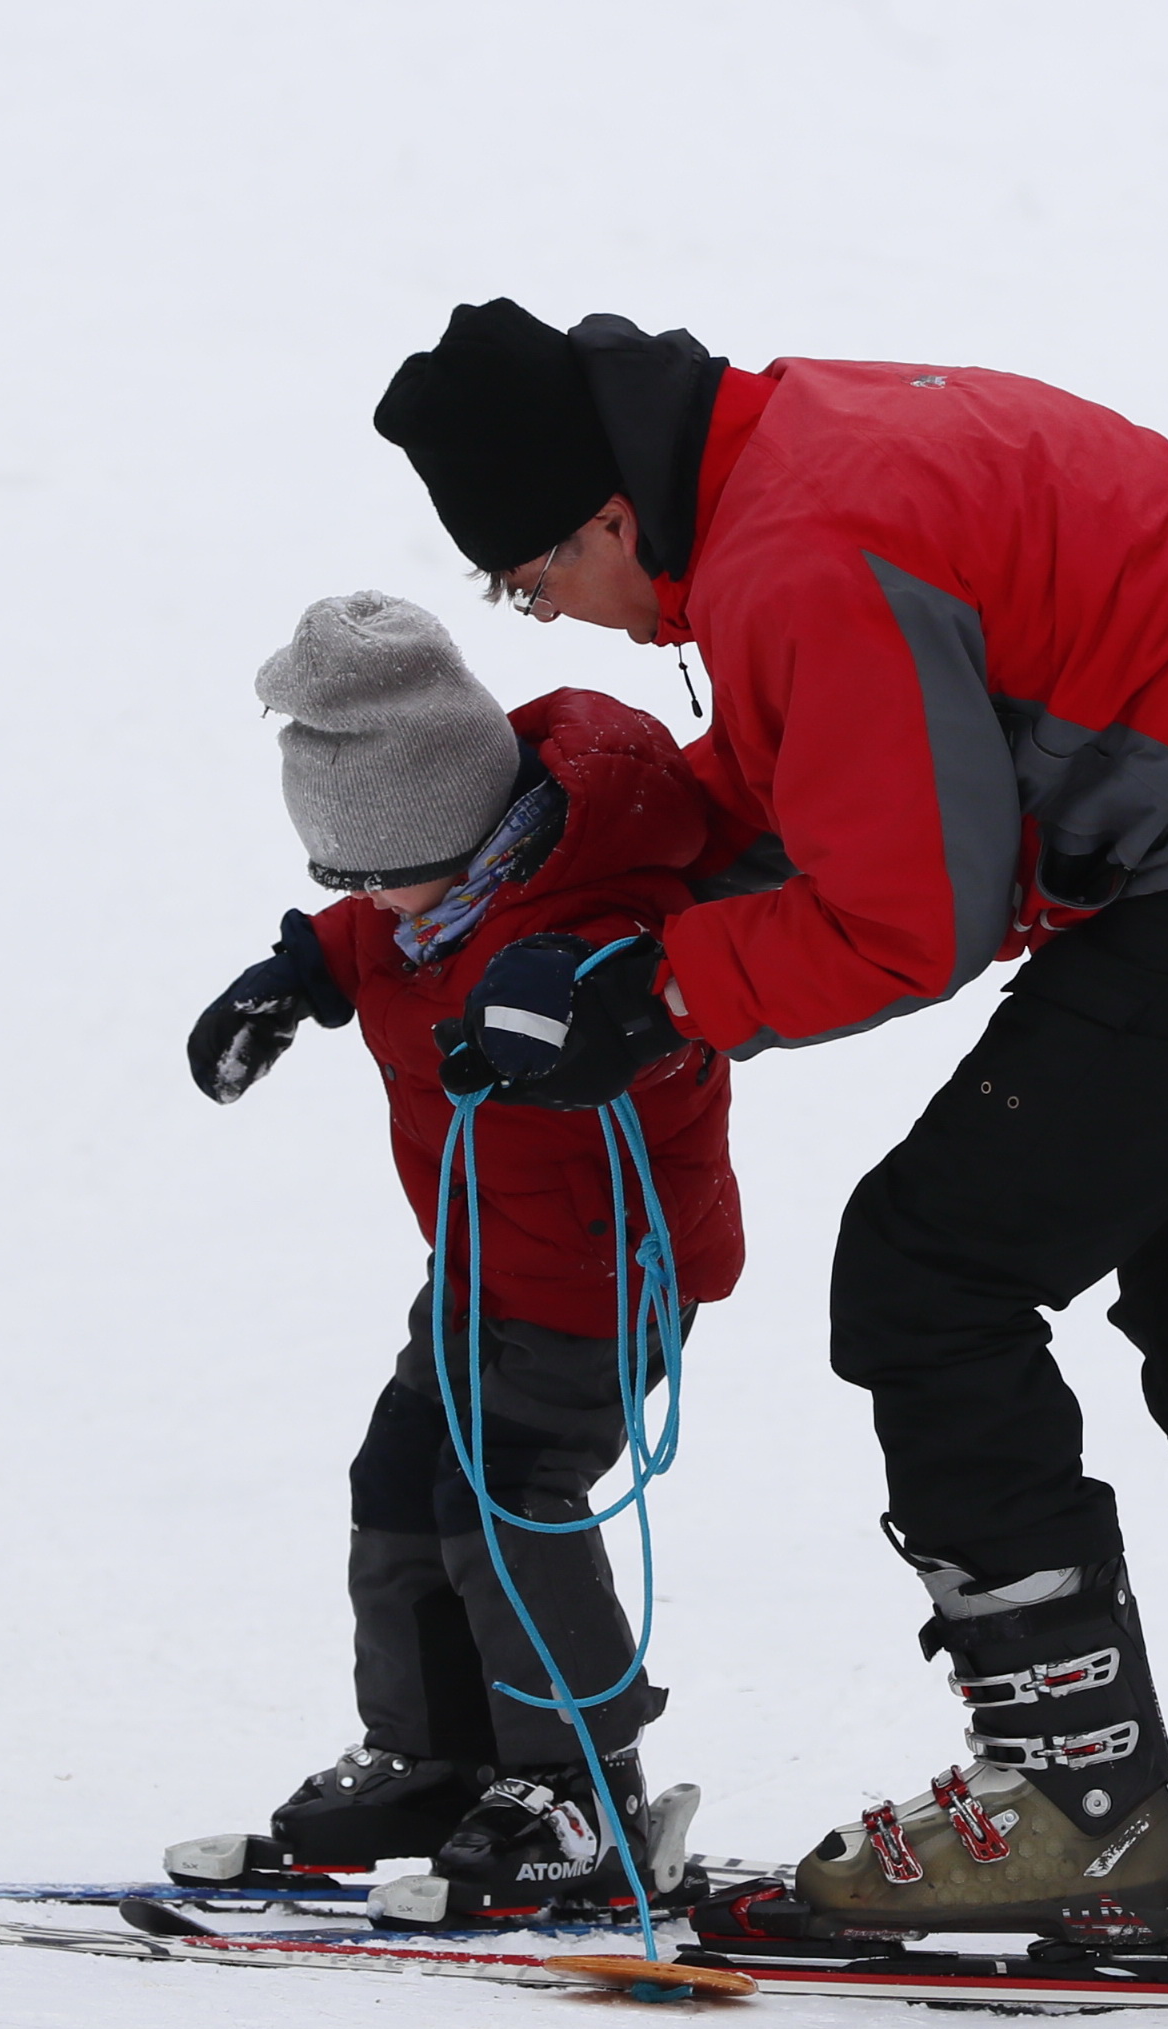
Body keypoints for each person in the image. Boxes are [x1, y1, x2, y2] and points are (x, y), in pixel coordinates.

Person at [372, 300, 1168, 1941]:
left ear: (609, 514)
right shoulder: (792, 456)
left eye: (538, 581)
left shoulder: (797, 554)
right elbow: (843, 766)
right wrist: (620, 902)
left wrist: (655, 996)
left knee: (930, 1276)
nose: (557, 619)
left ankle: (1074, 1798)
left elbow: (906, 912)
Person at [172, 590, 744, 1925]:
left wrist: (592, 1017)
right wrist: (295, 974)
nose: (369, 905)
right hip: (482, 1270)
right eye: (343, 881)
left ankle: (579, 1785)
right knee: (402, 1480)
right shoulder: (426, 899)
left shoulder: (605, 911)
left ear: (462, 823)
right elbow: (381, 930)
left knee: (507, 1497)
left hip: (604, 1282)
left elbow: (677, 1008)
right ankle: (441, 1756)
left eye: (381, 873)